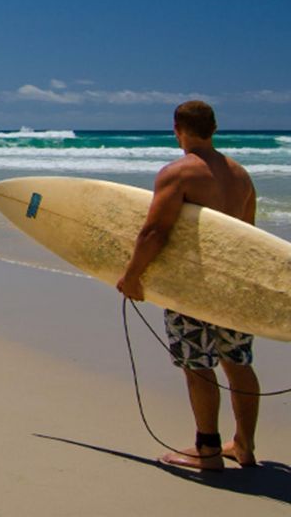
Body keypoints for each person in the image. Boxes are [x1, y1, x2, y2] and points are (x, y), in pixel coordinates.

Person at [116, 100, 260, 471]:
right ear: (214, 128)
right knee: (237, 363)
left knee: (197, 365)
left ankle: (208, 450)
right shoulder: (242, 176)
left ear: (178, 129)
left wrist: (133, 275)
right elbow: (250, 239)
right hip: (235, 287)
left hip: (192, 288)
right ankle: (243, 446)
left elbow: (155, 231)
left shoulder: (178, 173)